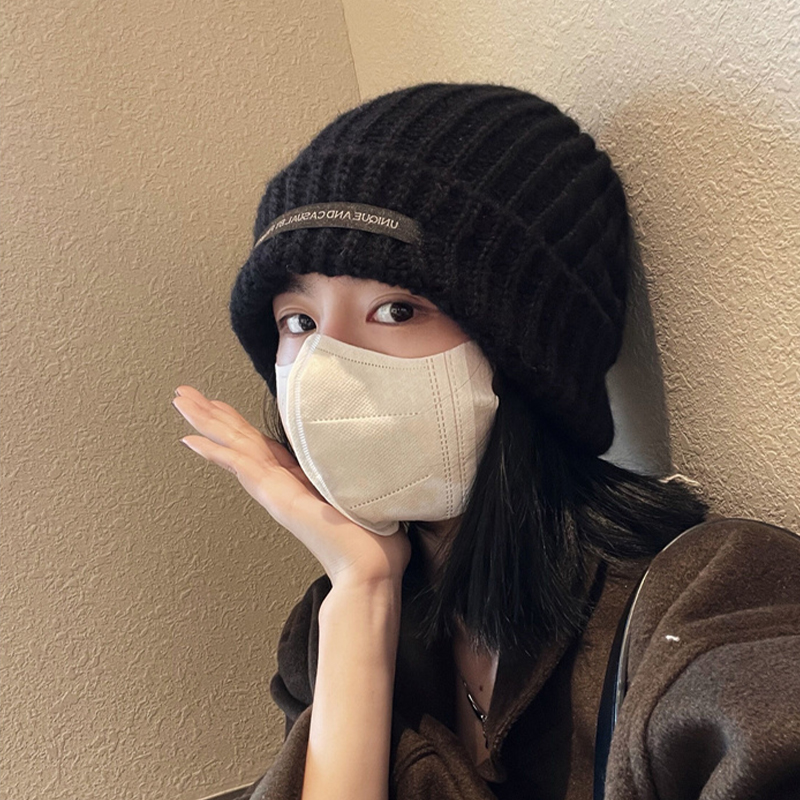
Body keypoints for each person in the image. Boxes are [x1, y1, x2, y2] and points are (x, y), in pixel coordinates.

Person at [172, 83, 800, 800]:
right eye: (299, 322)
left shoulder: (711, 604)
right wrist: (362, 593)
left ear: (528, 355)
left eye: (396, 309)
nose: (325, 365)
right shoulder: (329, 630)